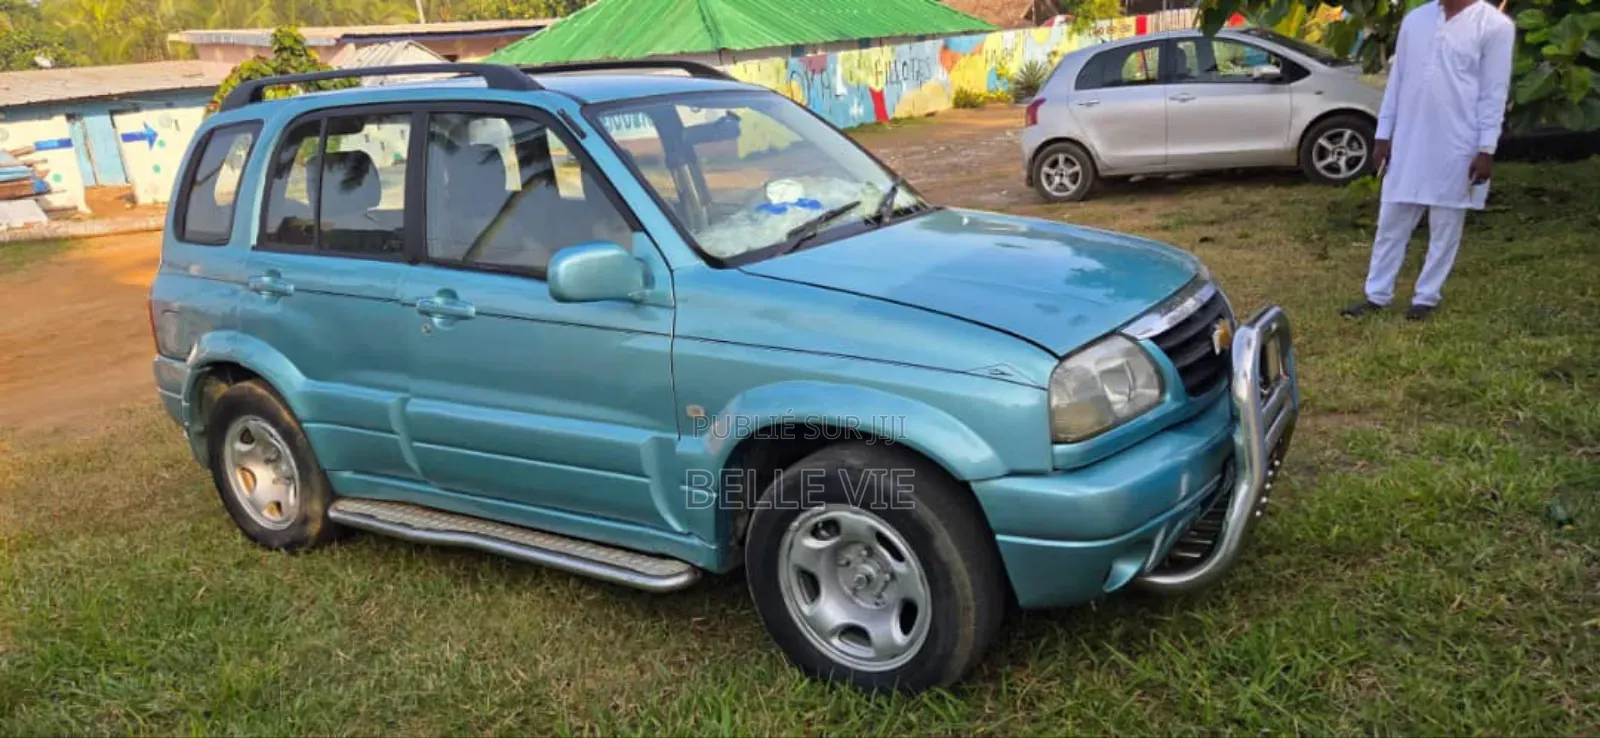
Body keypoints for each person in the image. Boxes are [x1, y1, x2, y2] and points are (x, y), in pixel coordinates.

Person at [1342, 0, 1515, 321]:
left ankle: (1426, 297)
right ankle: (1376, 294)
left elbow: (1494, 92)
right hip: (1408, 140)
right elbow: (1397, 81)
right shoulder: (1415, 20)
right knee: (1392, 220)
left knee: (1446, 224)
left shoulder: (1494, 26)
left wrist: (1486, 148)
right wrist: (1383, 134)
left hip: (1458, 143)